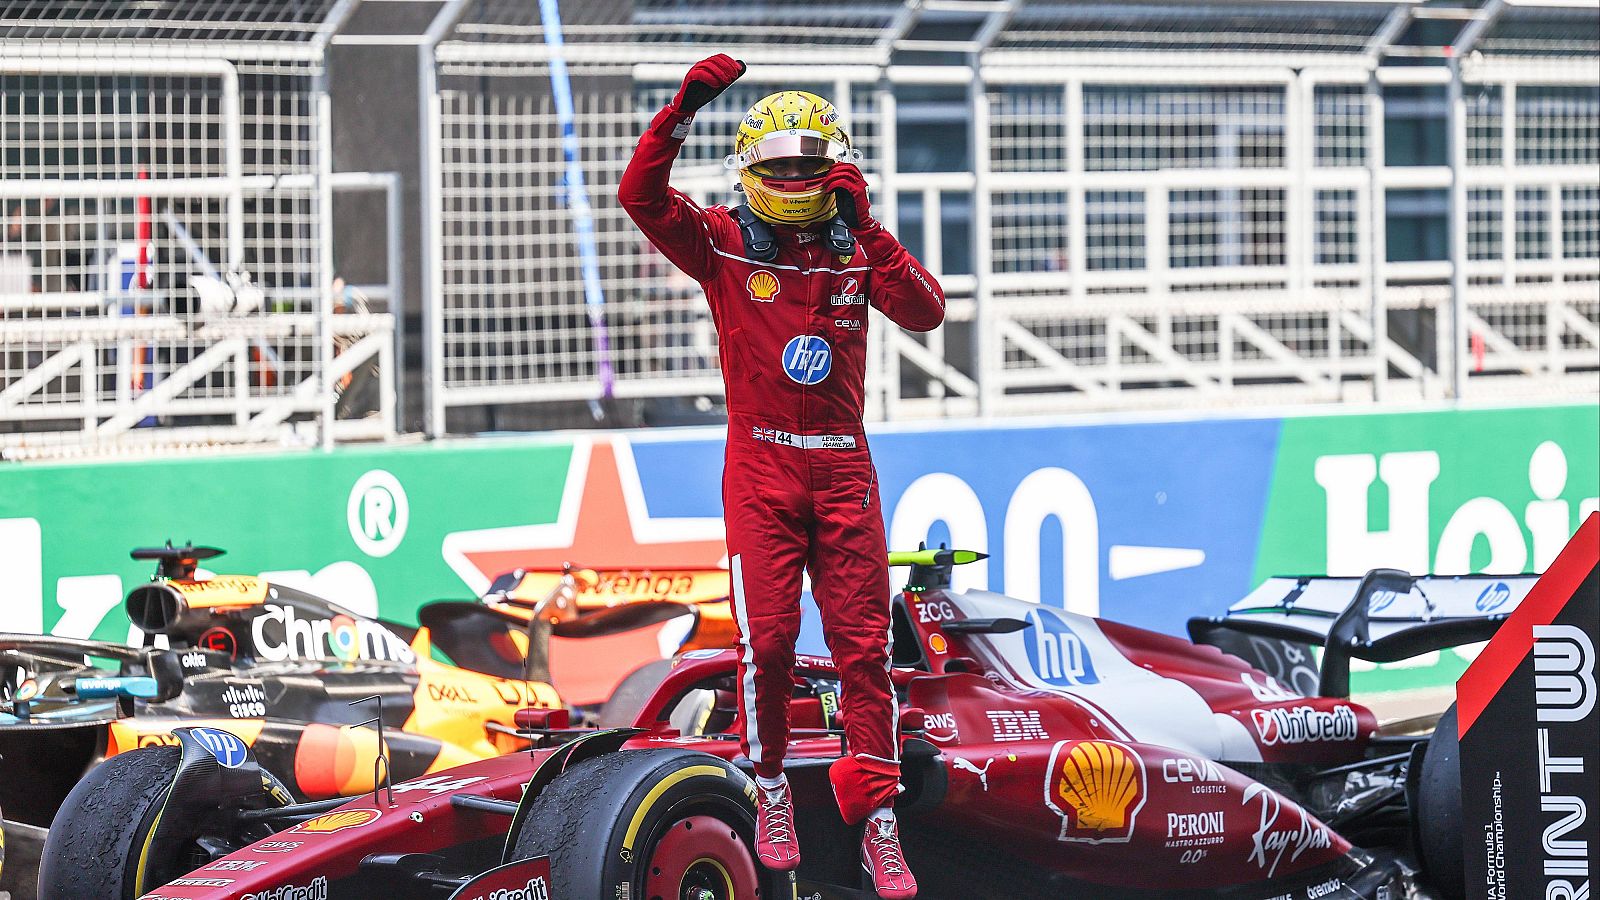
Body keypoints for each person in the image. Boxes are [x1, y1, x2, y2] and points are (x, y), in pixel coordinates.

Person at [618, 54, 944, 900]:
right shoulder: (724, 244)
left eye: (809, 164)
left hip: (844, 468)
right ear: (750, 170)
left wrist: (869, 230)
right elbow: (640, 199)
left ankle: (876, 818)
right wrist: (681, 110)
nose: (794, 178)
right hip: (759, 465)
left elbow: (927, 311)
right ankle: (767, 786)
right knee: (765, 644)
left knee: (863, 652)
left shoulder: (856, 249)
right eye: (777, 166)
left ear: (836, 170)